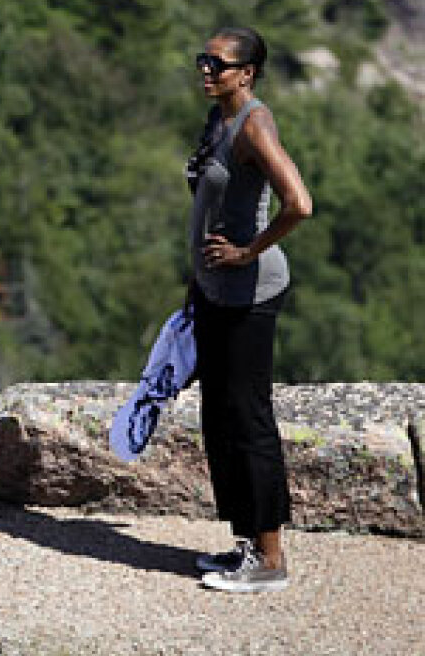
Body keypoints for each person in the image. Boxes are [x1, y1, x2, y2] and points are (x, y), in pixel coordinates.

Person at [185, 27, 312, 593]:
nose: (207, 70)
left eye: (219, 63)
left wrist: (247, 251)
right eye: (203, 60)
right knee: (220, 420)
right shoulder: (219, 116)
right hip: (215, 292)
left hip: (250, 295)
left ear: (247, 73)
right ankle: (245, 542)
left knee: (248, 421)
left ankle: (270, 558)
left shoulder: (253, 124)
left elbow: (299, 204)